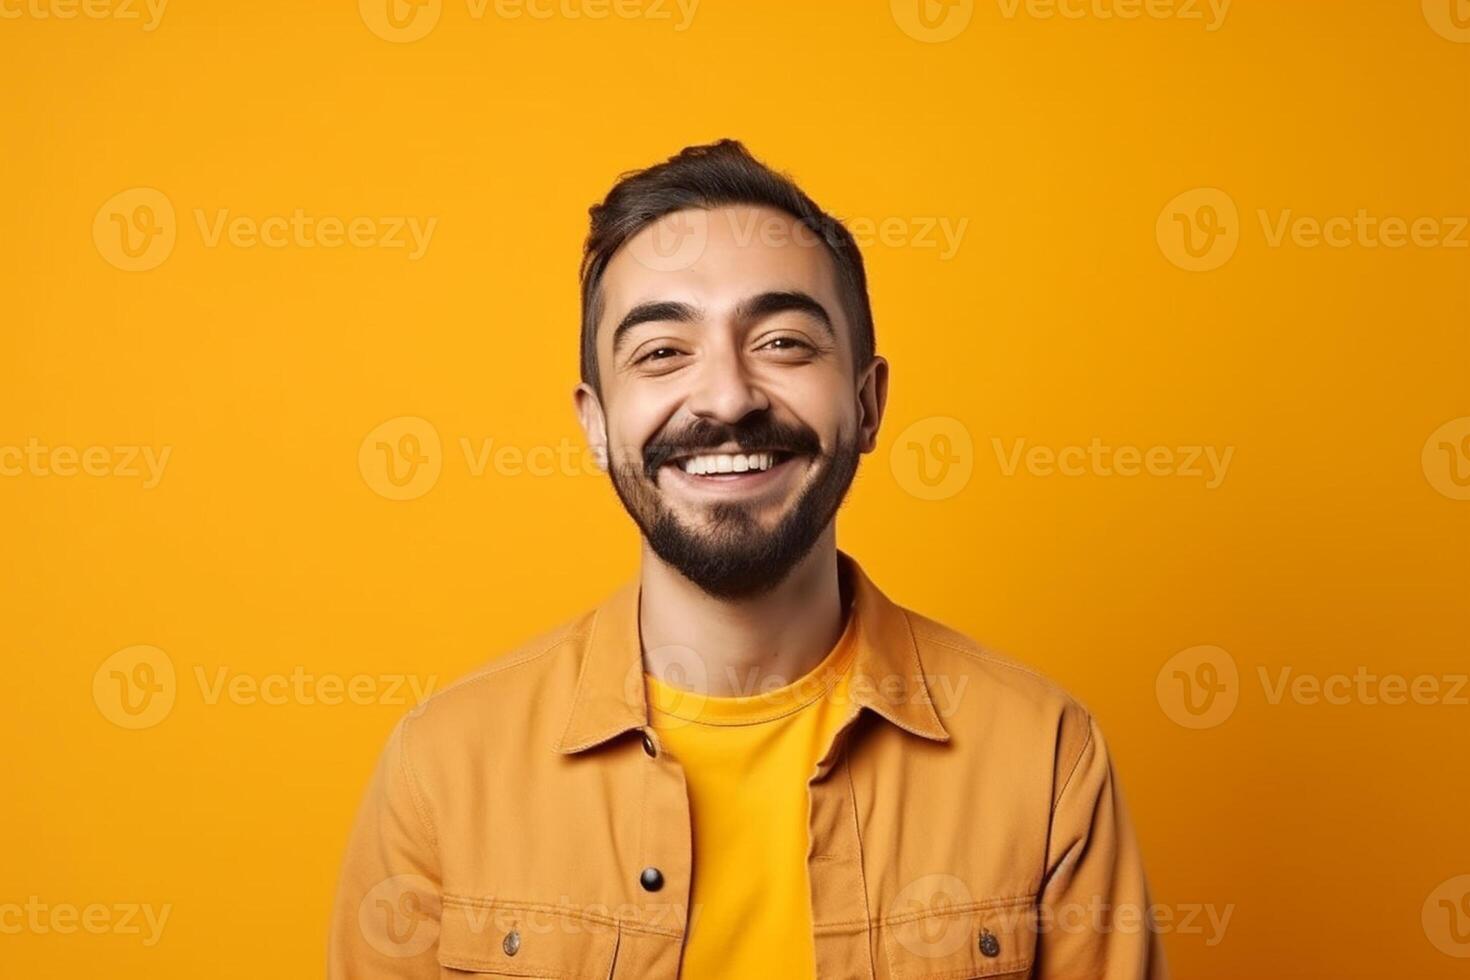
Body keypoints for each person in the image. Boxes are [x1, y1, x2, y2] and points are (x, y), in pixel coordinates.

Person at [329, 139, 1167, 979]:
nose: (727, 396)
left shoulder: (1045, 759)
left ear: (869, 403)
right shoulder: (441, 771)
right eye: (661, 352)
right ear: (595, 423)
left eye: (784, 343)